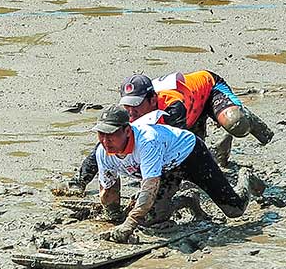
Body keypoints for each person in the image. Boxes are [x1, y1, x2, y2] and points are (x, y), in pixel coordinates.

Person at [54, 71, 273, 196]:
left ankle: (249, 122)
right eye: (127, 106)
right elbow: (105, 146)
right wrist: (79, 181)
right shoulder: (130, 114)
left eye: (137, 106)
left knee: (235, 124)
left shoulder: (171, 107)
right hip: (190, 113)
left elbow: (180, 149)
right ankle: (221, 153)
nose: (132, 113)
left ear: (152, 100)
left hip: (208, 91)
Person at [91, 105, 265, 243]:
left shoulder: (147, 142)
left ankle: (246, 178)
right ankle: (187, 200)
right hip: (165, 169)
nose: (106, 141)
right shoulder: (102, 152)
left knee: (234, 210)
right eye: (101, 134)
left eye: (111, 135)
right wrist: (113, 216)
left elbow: (149, 188)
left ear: (127, 131)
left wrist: (129, 224)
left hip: (191, 155)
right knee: (153, 219)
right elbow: (108, 189)